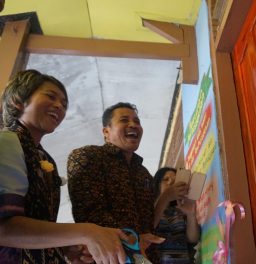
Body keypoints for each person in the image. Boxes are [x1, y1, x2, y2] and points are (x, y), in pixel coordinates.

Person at [0, 69, 128, 264]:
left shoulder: (44, 158)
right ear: (18, 101)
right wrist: (87, 232)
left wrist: (65, 247)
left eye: (64, 104)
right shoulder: (6, 141)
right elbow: (4, 228)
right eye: (50, 96)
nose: (59, 106)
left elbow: (36, 222)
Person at [67, 102, 164, 263]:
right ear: (106, 131)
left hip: (147, 257)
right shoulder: (87, 156)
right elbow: (89, 213)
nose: (133, 125)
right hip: (109, 257)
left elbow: (149, 222)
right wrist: (132, 241)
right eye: (124, 120)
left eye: (137, 121)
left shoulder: (144, 174)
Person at [153, 167, 200, 264]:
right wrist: (165, 196)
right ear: (157, 184)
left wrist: (191, 214)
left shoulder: (180, 209)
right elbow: (147, 228)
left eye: (175, 181)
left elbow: (192, 239)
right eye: (166, 179)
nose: (171, 183)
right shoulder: (149, 208)